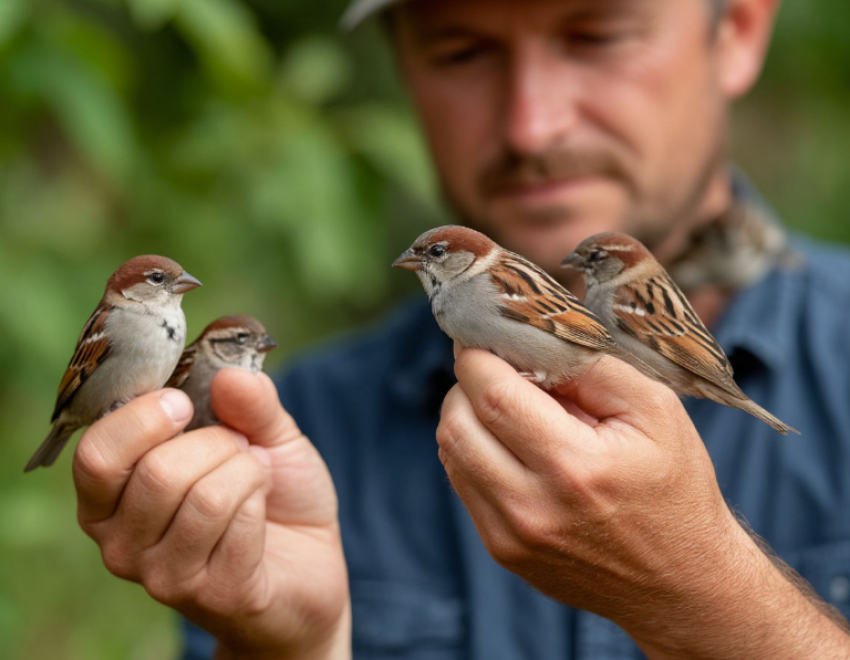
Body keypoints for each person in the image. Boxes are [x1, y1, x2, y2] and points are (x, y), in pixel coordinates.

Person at [71, 0, 850, 658]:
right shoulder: (290, 428)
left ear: (738, 30)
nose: (532, 127)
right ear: (403, 70)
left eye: (596, 35)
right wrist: (290, 647)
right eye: (462, 50)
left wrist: (707, 593)